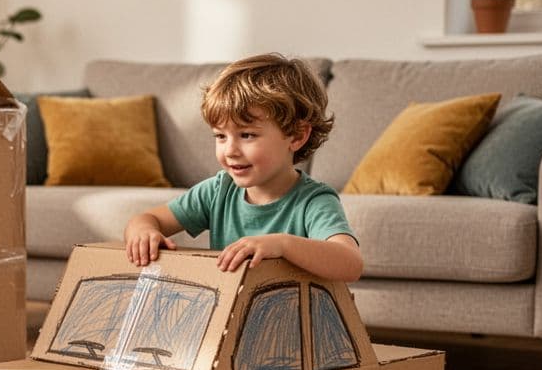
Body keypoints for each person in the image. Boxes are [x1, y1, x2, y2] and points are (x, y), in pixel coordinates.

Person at [123, 52, 363, 282]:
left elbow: (350, 263)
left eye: (247, 135)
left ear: (297, 136)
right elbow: (148, 219)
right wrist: (143, 232)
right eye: (220, 136)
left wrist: (282, 245)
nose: (230, 151)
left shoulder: (313, 201)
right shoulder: (219, 191)